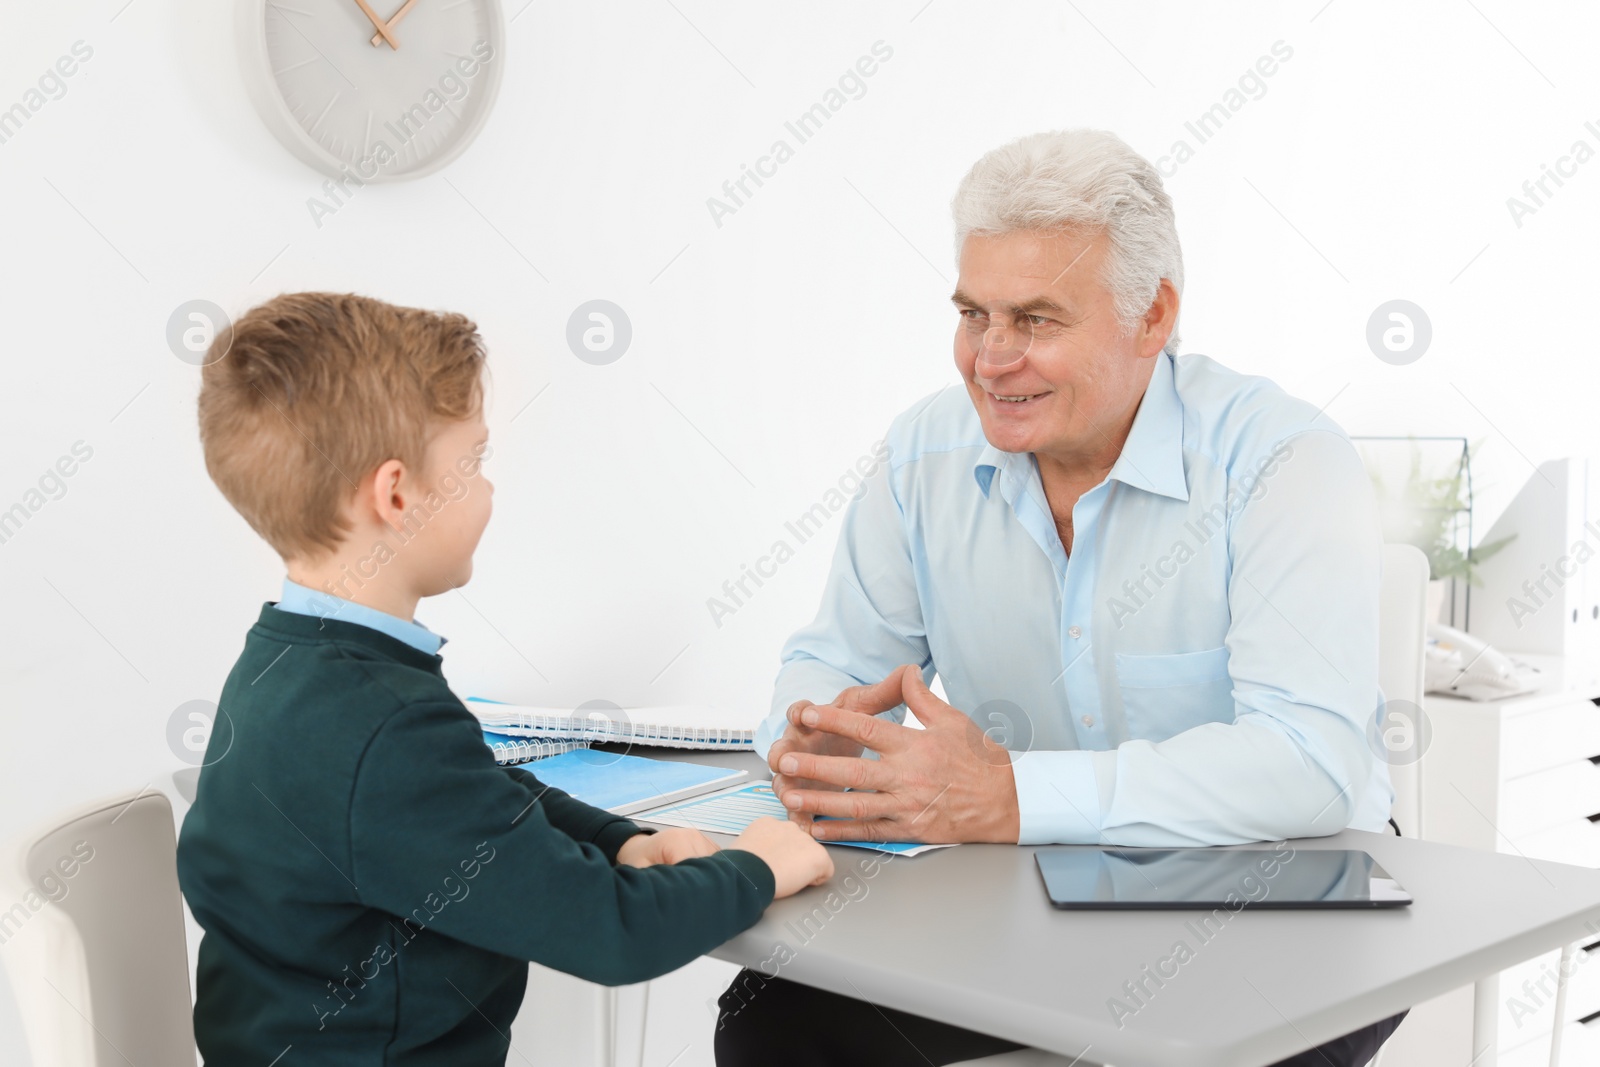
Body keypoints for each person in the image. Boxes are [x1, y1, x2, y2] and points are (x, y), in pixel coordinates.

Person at [715, 129, 1407, 1066]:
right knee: (774, 1017)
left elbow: (1309, 765)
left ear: (1151, 315)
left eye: (1036, 320)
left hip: (1288, 893)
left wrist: (1007, 797)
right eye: (973, 314)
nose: (990, 359)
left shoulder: (1283, 461)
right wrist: (812, 735)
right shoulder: (925, 455)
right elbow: (837, 656)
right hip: (1040, 887)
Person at [177, 292, 833, 1066]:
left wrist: (618, 840)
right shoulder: (381, 721)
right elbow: (611, 933)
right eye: (474, 462)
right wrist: (757, 866)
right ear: (397, 495)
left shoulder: (288, 665)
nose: (488, 489)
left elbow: (480, 799)